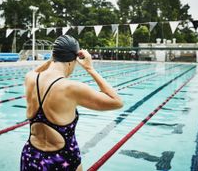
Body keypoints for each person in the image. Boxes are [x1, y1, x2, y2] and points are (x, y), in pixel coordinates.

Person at [21, 35, 123, 171]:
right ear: (72, 61)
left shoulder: (30, 78)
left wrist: (53, 57)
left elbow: (36, 70)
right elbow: (117, 102)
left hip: (31, 156)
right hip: (62, 160)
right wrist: (90, 69)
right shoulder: (71, 88)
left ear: (54, 56)